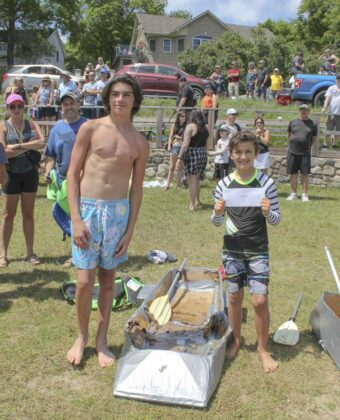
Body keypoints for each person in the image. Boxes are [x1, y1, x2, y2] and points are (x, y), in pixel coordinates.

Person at [66, 74, 149, 367]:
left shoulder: (140, 142)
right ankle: (82, 337)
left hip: (117, 214)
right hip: (88, 211)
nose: (120, 99)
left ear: (134, 100)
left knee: (109, 282)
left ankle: (102, 341)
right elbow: (71, 176)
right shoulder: (90, 128)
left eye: (127, 94)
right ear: (108, 98)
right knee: (83, 282)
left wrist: (130, 231)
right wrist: (76, 219)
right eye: (115, 94)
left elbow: (136, 189)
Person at [211, 131, 281, 373]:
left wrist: (267, 212)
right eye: (238, 152)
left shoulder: (267, 184)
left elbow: (276, 220)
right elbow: (216, 222)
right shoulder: (223, 184)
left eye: (248, 152)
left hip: (258, 250)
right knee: (233, 297)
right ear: (231, 154)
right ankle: (237, 340)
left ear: (255, 154)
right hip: (232, 251)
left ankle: (263, 349)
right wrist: (217, 213)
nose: (243, 157)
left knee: (259, 300)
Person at [0, 94, 45, 268]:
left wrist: (18, 146)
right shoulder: (3, 126)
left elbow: (41, 143)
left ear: (24, 107)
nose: (16, 110)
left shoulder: (32, 124)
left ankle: (30, 252)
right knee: (7, 214)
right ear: (8, 108)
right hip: (10, 174)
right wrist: (28, 145)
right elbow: (3, 152)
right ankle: (3, 254)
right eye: (13, 107)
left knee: (28, 214)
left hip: (29, 174)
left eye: (19, 106)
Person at [45, 92, 87, 266]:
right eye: (65, 104)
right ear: (61, 107)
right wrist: (48, 171)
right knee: (62, 214)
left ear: (78, 105)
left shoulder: (88, 125)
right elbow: (50, 155)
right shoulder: (56, 129)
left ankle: (80, 255)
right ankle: (79, 251)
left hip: (85, 181)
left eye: (72, 103)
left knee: (82, 217)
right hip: (63, 182)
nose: (69, 106)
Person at [176, 110, 208, 211]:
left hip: (192, 153)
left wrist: (179, 158)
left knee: (191, 180)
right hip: (203, 153)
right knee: (197, 179)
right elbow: (207, 144)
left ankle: (192, 205)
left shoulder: (190, 126)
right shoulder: (205, 128)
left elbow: (185, 144)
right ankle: (197, 201)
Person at [286, 104, 318, 202]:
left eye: (305, 110)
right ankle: (293, 193)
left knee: (304, 174)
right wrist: (292, 144)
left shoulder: (313, 124)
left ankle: (304, 195)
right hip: (292, 152)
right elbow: (289, 135)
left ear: (309, 111)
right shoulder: (292, 122)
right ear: (299, 111)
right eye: (301, 110)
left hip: (305, 153)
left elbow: (314, 139)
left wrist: (307, 146)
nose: (303, 111)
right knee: (293, 174)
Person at [164, 111, 187, 190]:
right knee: (172, 166)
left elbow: (186, 138)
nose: (184, 118)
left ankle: (178, 185)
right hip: (175, 146)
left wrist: (179, 137)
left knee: (180, 166)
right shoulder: (174, 125)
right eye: (182, 116)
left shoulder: (186, 126)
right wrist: (169, 146)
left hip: (182, 147)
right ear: (179, 117)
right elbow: (170, 136)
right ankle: (167, 185)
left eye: (185, 116)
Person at [321, 73, 340, 149]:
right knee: (328, 129)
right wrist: (325, 107)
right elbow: (327, 98)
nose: (339, 80)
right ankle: (325, 144)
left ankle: (334, 144)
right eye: (338, 79)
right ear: (336, 80)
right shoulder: (331, 88)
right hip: (331, 113)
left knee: (339, 131)